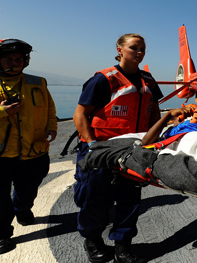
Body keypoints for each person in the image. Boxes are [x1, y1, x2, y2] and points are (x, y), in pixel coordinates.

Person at [73, 33, 163, 263]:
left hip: (133, 151)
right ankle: (92, 240)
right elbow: (80, 114)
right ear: (120, 50)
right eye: (134, 48)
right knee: (95, 200)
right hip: (102, 150)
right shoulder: (104, 80)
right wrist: (92, 145)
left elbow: (153, 111)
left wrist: (154, 141)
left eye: (143, 48)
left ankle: (123, 246)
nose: (140, 52)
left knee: (130, 200)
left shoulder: (148, 80)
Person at [0, 39, 57, 254]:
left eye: (18, 59)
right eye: (8, 59)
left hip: (33, 149)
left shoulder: (38, 82)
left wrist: (52, 128)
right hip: (2, 154)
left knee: (27, 190)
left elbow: (50, 109)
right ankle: (2, 234)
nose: (14, 63)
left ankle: (22, 208)